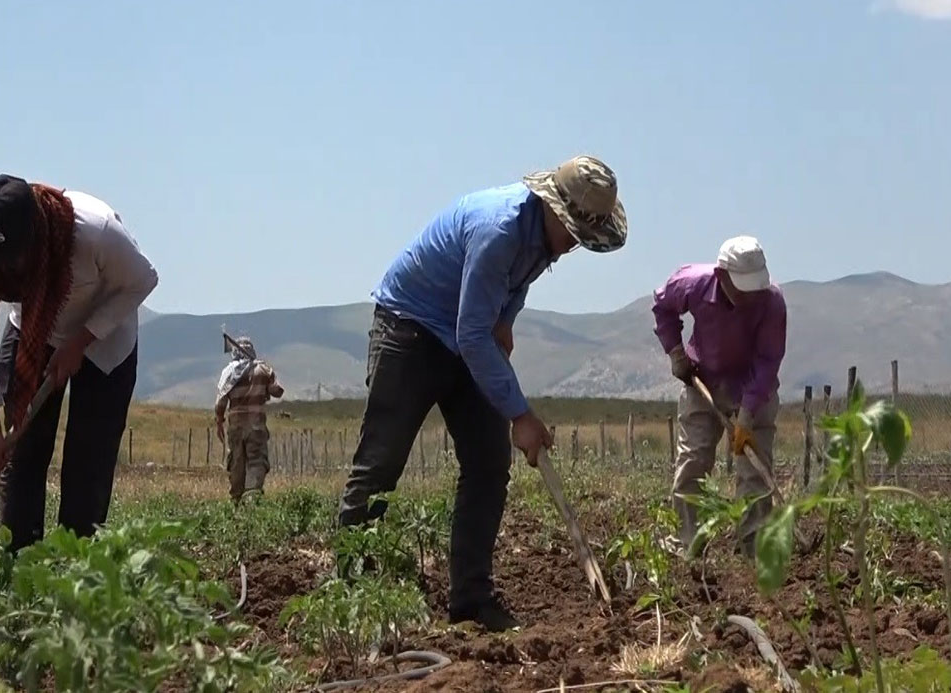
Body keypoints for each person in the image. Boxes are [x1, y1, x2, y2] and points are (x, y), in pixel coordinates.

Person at [337, 155, 628, 631]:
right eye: (575, 232)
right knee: (379, 466)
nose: (576, 246)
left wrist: (506, 320)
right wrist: (521, 414)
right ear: (554, 209)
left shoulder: (542, 241)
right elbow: (472, 336)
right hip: (410, 330)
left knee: (490, 463)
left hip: (465, 332)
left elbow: (510, 291)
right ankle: (352, 599)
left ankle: (471, 601)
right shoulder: (500, 230)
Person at [0, 173, 158, 552]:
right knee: (23, 457)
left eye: (14, 263)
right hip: (32, 336)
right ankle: (20, 566)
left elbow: (143, 280)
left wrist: (80, 341)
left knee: (88, 465)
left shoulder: (96, 231)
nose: (7, 275)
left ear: (36, 236)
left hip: (104, 340)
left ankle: (76, 569)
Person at [652, 236, 786, 558]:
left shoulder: (772, 302)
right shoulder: (692, 283)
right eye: (743, 288)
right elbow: (663, 307)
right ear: (722, 275)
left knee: (754, 469)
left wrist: (748, 413)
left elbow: (769, 361)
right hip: (704, 382)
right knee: (694, 460)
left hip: (753, 386)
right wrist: (675, 352)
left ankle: (752, 548)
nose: (750, 296)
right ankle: (690, 542)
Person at [214, 334, 285, 503]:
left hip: (236, 427)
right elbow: (278, 391)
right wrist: (269, 376)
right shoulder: (262, 370)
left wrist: (219, 422)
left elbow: (220, 402)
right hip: (256, 427)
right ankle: (252, 498)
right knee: (256, 461)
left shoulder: (229, 373)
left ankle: (237, 500)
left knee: (237, 463)